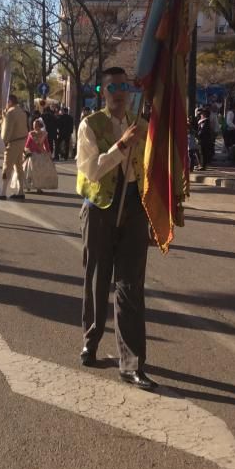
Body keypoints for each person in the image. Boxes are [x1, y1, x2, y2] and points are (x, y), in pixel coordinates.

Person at [76, 67, 155, 390]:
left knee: (130, 286)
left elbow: (152, 167)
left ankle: (132, 363)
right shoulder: (90, 125)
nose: (119, 92)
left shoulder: (142, 125)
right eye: (112, 87)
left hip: (135, 208)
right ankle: (91, 339)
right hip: (100, 209)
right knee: (97, 278)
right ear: (102, 91)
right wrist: (121, 146)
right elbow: (91, 170)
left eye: (124, 86)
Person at [0, 94, 29, 200]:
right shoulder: (22, 112)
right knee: (18, 167)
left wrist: (2, 143)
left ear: (10, 102)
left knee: (6, 166)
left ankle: (2, 192)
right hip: (21, 141)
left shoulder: (10, 112)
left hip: (12, 142)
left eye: (6, 103)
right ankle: (20, 191)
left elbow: (6, 131)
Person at [24, 118, 59, 193]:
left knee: (40, 172)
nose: (34, 127)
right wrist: (27, 151)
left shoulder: (44, 133)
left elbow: (46, 144)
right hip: (32, 154)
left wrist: (49, 153)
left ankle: (39, 188)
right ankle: (28, 186)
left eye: (36, 125)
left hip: (41, 153)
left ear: (39, 126)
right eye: (33, 125)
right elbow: (27, 144)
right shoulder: (31, 134)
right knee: (30, 171)